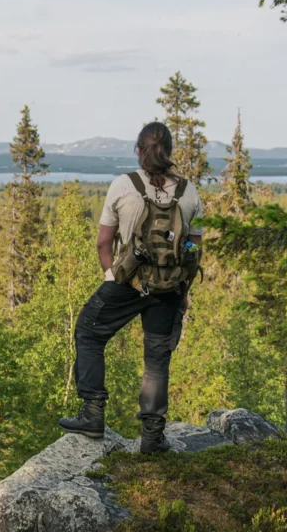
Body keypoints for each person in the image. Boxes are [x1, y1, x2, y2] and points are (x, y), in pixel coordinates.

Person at [58, 121, 204, 453]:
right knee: (156, 357)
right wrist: (183, 291)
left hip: (128, 282)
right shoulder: (189, 192)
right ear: (169, 151)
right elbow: (194, 250)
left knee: (88, 331)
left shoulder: (124, 185)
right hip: (169, 287)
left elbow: (103, 242)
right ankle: (152, 436)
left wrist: (112, 275)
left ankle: (92, 413)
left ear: (139, 151)